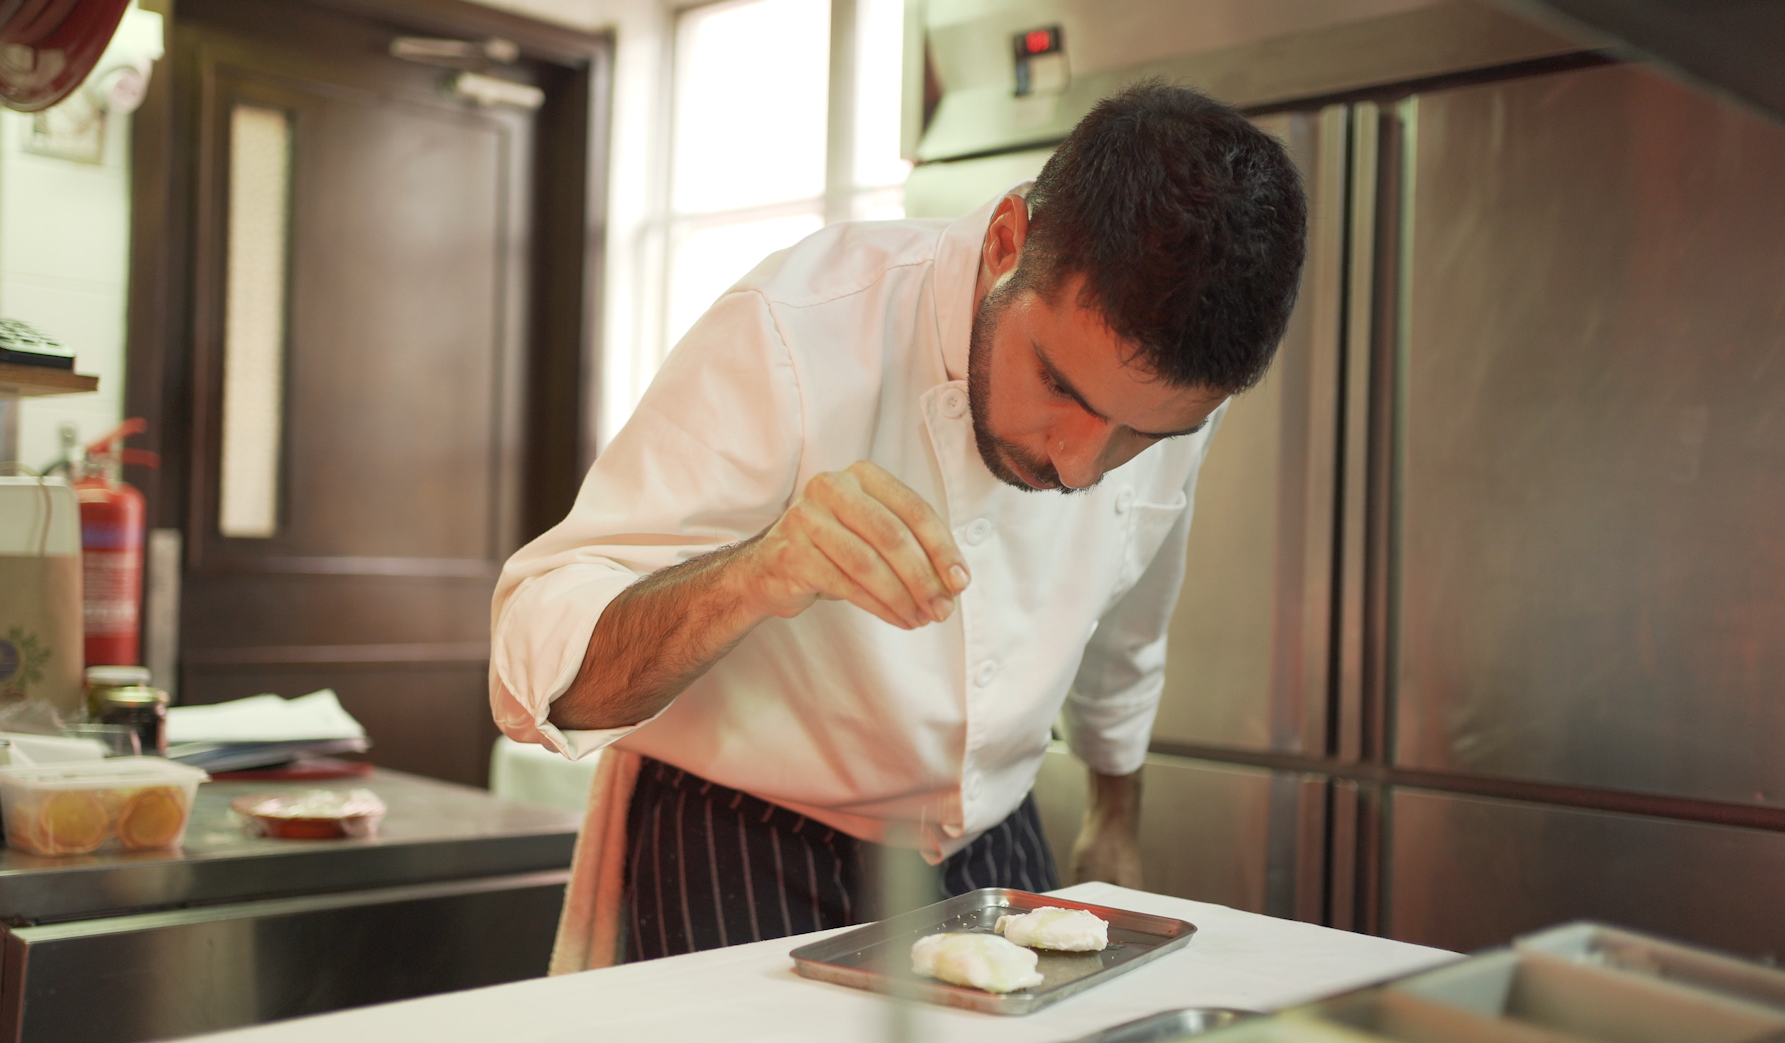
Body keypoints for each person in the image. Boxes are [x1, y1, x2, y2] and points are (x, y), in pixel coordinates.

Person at [491, 81, 1307, 967]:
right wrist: (753, 574)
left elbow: (1130, 604)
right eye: (1060, 388)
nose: (1078, 466)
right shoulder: (795, 328)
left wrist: (1115, 815)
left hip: (993, 851)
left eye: (1141, 436)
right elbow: (532, 667)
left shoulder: (1166, 392)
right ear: (1006, 243)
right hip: (743, 843)